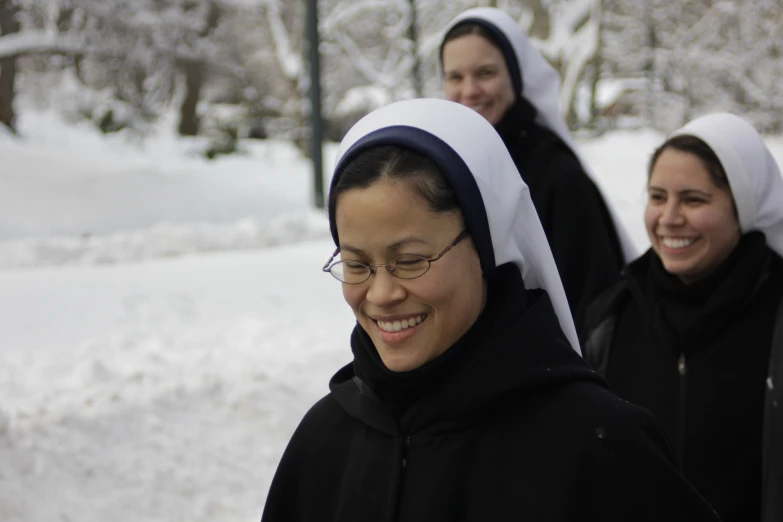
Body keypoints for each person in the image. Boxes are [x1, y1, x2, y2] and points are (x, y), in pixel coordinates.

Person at [260, 98, 720, 521]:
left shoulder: (596, 444)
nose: (380, 294)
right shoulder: (324, 442)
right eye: (357, 264)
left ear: (486, 247)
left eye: (410, 261)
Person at [583, 112, 783, 522]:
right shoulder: (613, 317)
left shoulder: (776, 315)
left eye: (693, 199)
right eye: (657, 197)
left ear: (743, 207)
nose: (669, 218)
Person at [439, 7, 636, 335]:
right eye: (455, 77)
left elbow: (594, 305)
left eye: (485, 73)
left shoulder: (558, 176)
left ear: (515, 78)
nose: (469, 91)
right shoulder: (445, 167)